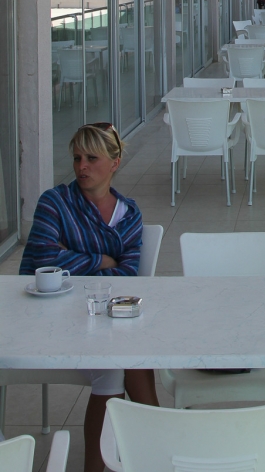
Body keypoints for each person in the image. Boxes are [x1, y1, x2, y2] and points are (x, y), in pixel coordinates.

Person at [20, 124, 158, 472]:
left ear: (115, 162)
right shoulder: (54, 202)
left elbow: (128, 277)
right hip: (45, 322)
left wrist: (72, 261)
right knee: (123, 358)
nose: (81, 167)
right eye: (77, 158)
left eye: (92, 158)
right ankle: (156, 447)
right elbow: (44, 261)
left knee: (127, 355)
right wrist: (102, 261)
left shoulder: (128, 215)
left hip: (98, 320)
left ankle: (147, 449)